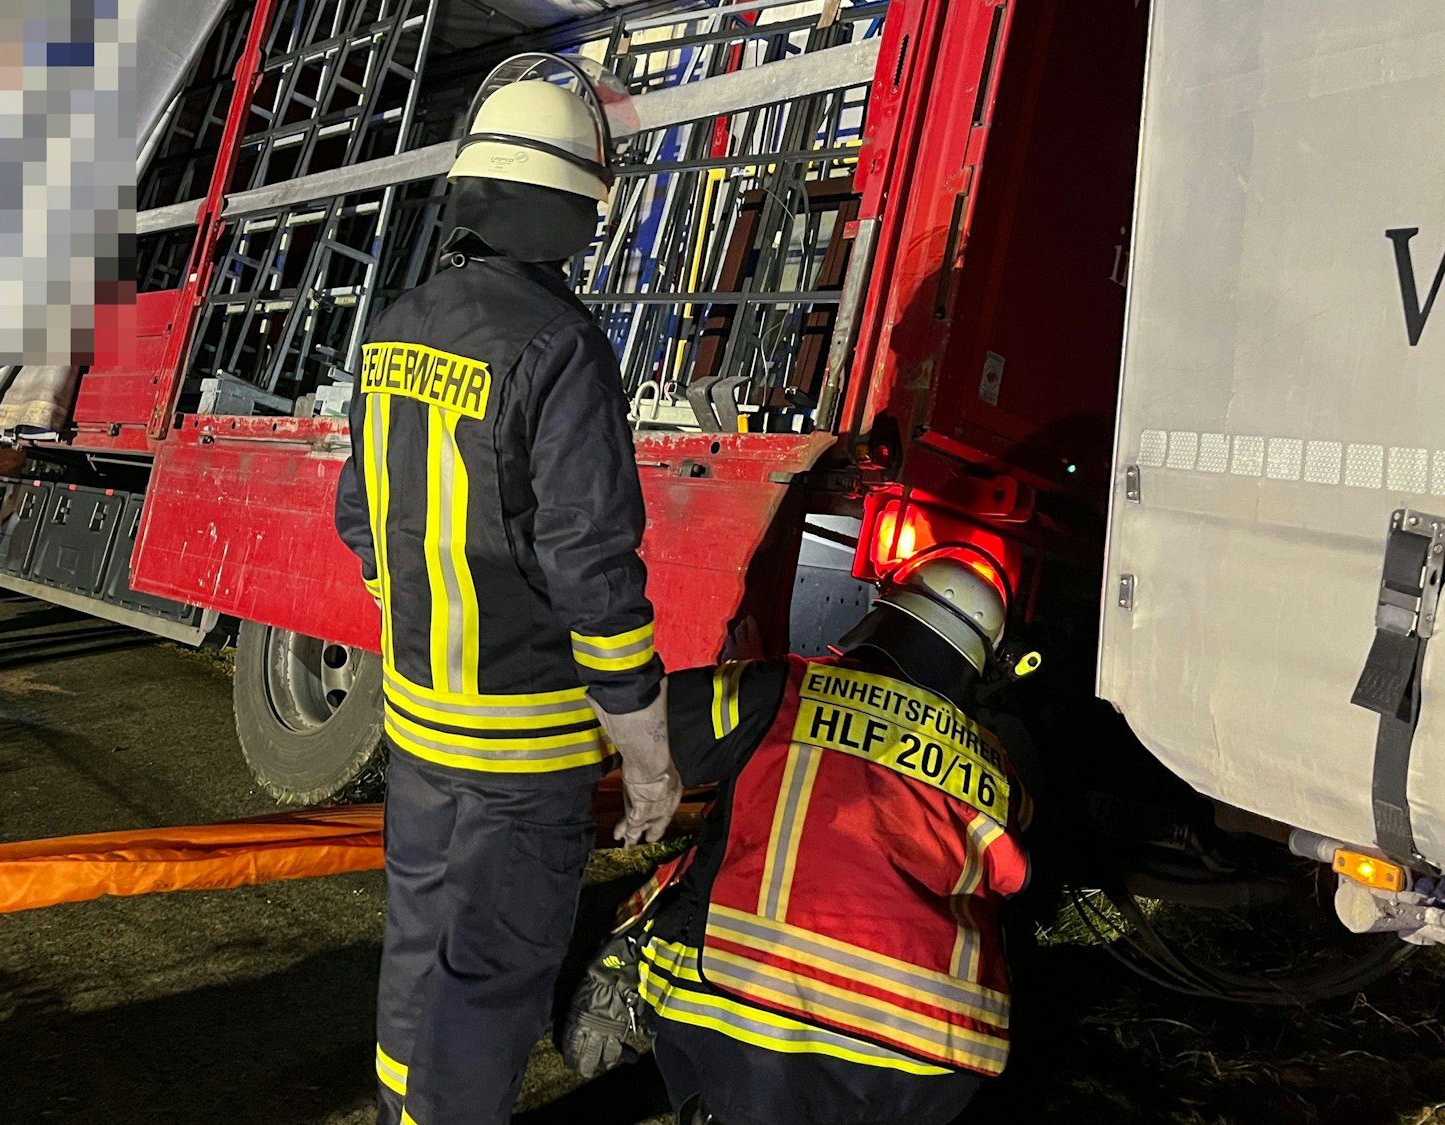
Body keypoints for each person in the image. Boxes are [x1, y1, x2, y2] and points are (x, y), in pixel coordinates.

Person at [332, 54, 681, 1125]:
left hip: (419, 722)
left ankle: (405, 1111)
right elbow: (589, 564)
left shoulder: (395, 321)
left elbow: (360, 518)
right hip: (521, 743)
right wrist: (647, 757)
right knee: (491, 975)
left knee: (419, 938)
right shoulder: (562, 343)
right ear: (575, 207)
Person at [560, 550, 1031, 1125]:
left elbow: (647, 725)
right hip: (937, 1062)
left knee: (715, 852)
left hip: (759, 1019)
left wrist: (751, 688)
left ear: (887, 615)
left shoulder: (788, 688)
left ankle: (634, 965)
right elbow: (1019, 875)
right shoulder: (998, 764)